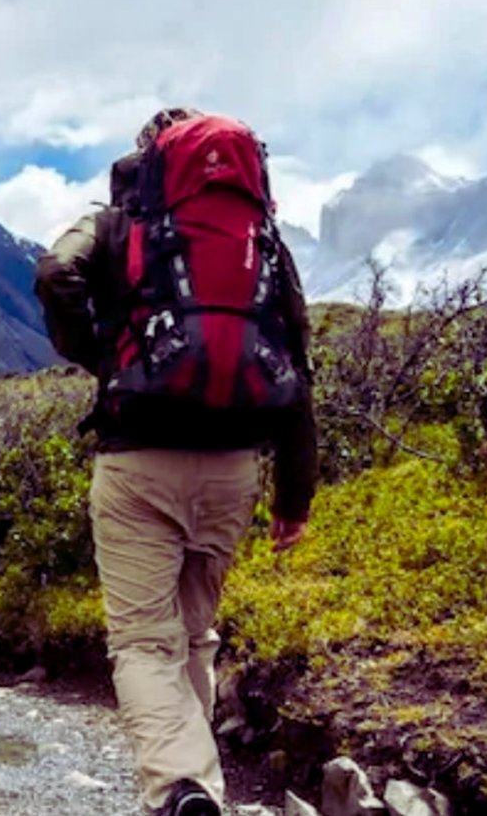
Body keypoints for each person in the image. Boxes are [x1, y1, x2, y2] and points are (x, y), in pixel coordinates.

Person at [34, 108, 317, 816]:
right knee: (195, 631)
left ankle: (181, 787)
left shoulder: (116, 224)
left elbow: (53, 272)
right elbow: (295, 355)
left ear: (149, 159)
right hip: (234, 466)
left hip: (140, 462)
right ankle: (202, 789)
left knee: (141, 642)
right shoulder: (262, 239)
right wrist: (295, 495)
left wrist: (102, 355)